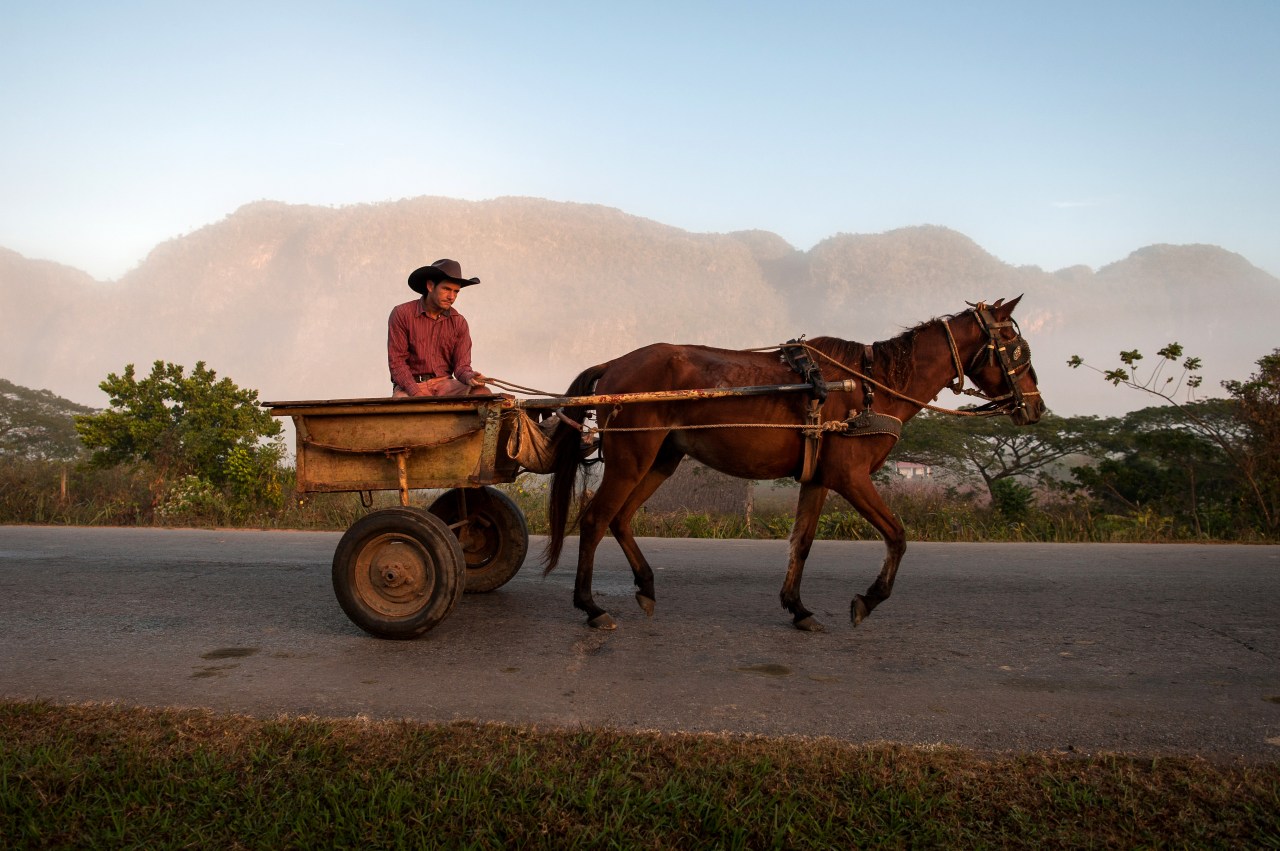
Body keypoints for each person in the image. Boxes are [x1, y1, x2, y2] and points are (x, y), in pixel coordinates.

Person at [388, 258, 489, 397]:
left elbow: (461, 367)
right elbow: (397, 363)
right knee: (402, 402)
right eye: (446, 289)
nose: (452, 297)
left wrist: (469, 377)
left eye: (456, 291)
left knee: (482, 393)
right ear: (430, 286)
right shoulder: (402, 314)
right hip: (410, 385)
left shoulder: (459, 322)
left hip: (445, 385)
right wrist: (416, 392)